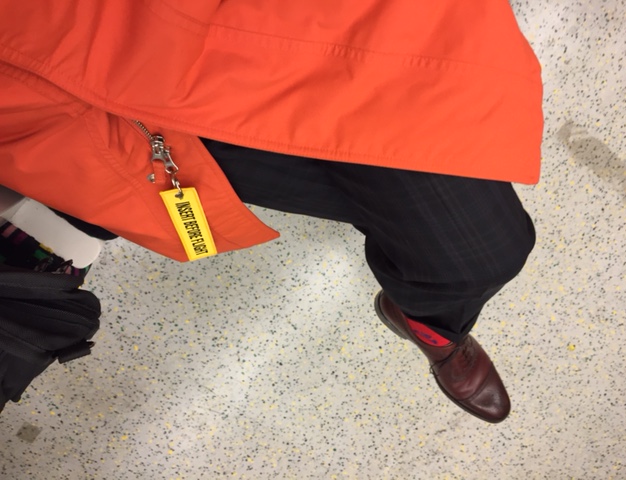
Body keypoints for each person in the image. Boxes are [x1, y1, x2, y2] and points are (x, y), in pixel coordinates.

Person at [0, 1, 542, 423]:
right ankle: (433, 327)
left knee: (479, 252)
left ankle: (430, 324)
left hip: (288, 29)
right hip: (115, 109)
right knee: (469, 252)